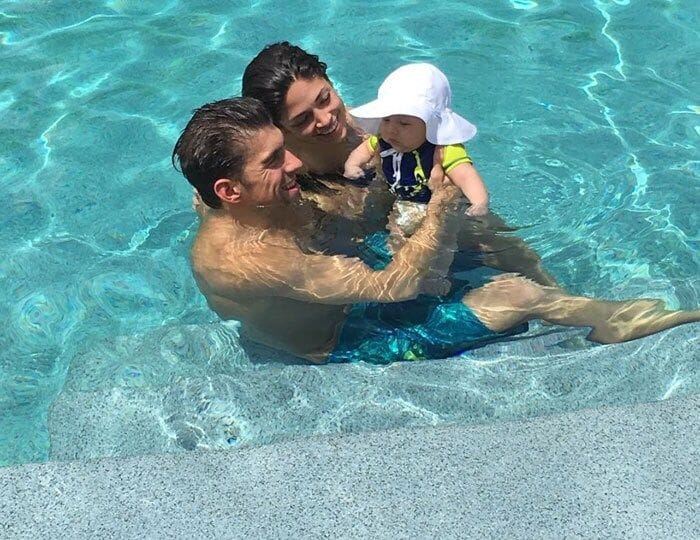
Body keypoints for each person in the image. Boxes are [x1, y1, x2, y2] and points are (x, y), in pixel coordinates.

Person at [172, 98, 700, 364]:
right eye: (273, 160)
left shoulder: (224, 201)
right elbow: (392, 288)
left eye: (284, 146)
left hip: (334, 293)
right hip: (340, 342)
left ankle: (551, 287)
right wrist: (445, 204)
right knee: (513, 296)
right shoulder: (252, 258)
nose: (293, 162)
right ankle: (609, 321)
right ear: (229, 191)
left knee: (431, 224)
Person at [242, 41, 557, 286]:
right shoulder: (288, 173)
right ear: (279, 128)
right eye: (302, 120)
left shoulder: (376, 125)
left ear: (329, 81)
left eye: (324, 99)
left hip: (415, 203)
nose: (326, 120)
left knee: (498, 242)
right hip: (371, 245)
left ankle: (564, 299)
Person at [344, 62, 489, 215]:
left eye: (404, 123)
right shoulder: (383, 139)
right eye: (386, 119)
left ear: (430, 124)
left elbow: (466, 175)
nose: (391, 129)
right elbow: (364, 150)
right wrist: (352, 165)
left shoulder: (445, 149)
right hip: (399, 196)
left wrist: (479, 203)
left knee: (401, 231)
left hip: (431, 206)